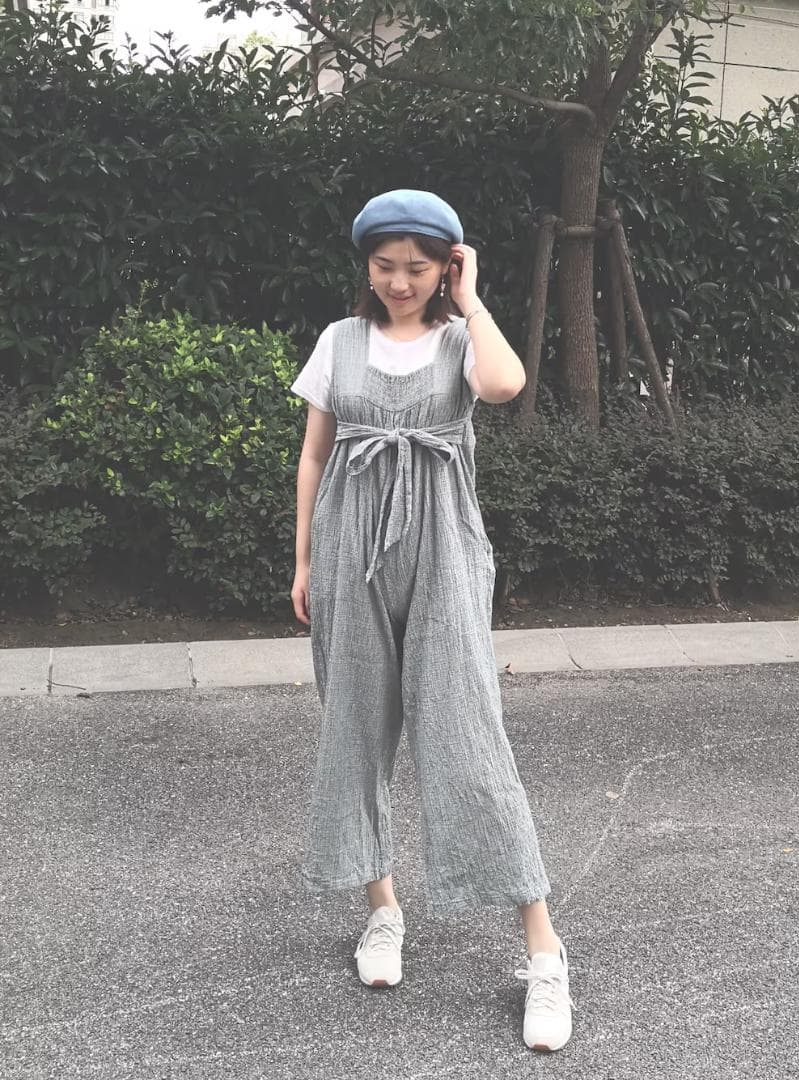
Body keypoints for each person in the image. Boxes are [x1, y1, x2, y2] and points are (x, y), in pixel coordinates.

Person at [289, 189, 576, 1052]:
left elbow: (504, 384)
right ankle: (382, 909)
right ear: (365, 266)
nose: (399, 282)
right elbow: (314, 453)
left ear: (446, 267)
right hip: (348, 545)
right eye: (384, 266)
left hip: (444, 549)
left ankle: (544, 950)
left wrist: (472, 298)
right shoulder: (339, 340)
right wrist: (303, 561)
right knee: (353, 728)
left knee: (466, 735)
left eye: (417, 267)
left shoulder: (460, 339)